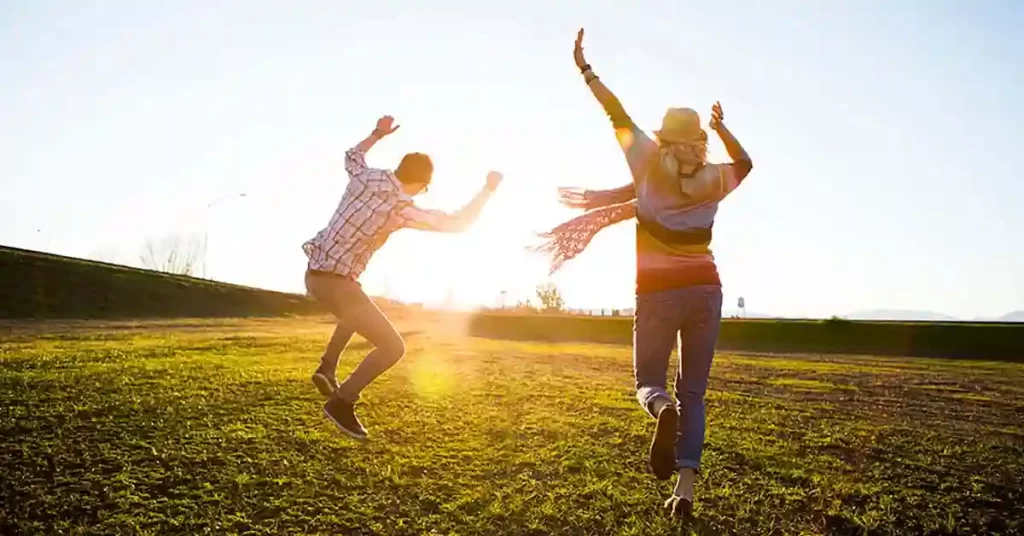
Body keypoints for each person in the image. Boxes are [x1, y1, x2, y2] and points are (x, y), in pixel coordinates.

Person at [534, 29, 753, 517]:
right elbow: (746, 163)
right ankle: (686, 489)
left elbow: (615, 112)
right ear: (697, 137)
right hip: (706, 289)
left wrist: (585, 69)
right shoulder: (716, 175)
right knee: (694, 391)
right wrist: (720, 130)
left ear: (663, 135)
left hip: (657, 292)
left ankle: (661, 411)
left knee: (648, 381)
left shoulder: (647, 159)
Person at [302, 115, 503, 440]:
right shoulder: (401, 206)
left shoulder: (367, 177)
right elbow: (456, 224)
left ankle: (327, 366)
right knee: (393, 347)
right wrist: (488, 190)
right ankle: (342, 402)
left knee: (358, 306)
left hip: (314, 275)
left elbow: (351, 156)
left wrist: (377, 134)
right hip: (336, 283)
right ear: (423, 185)